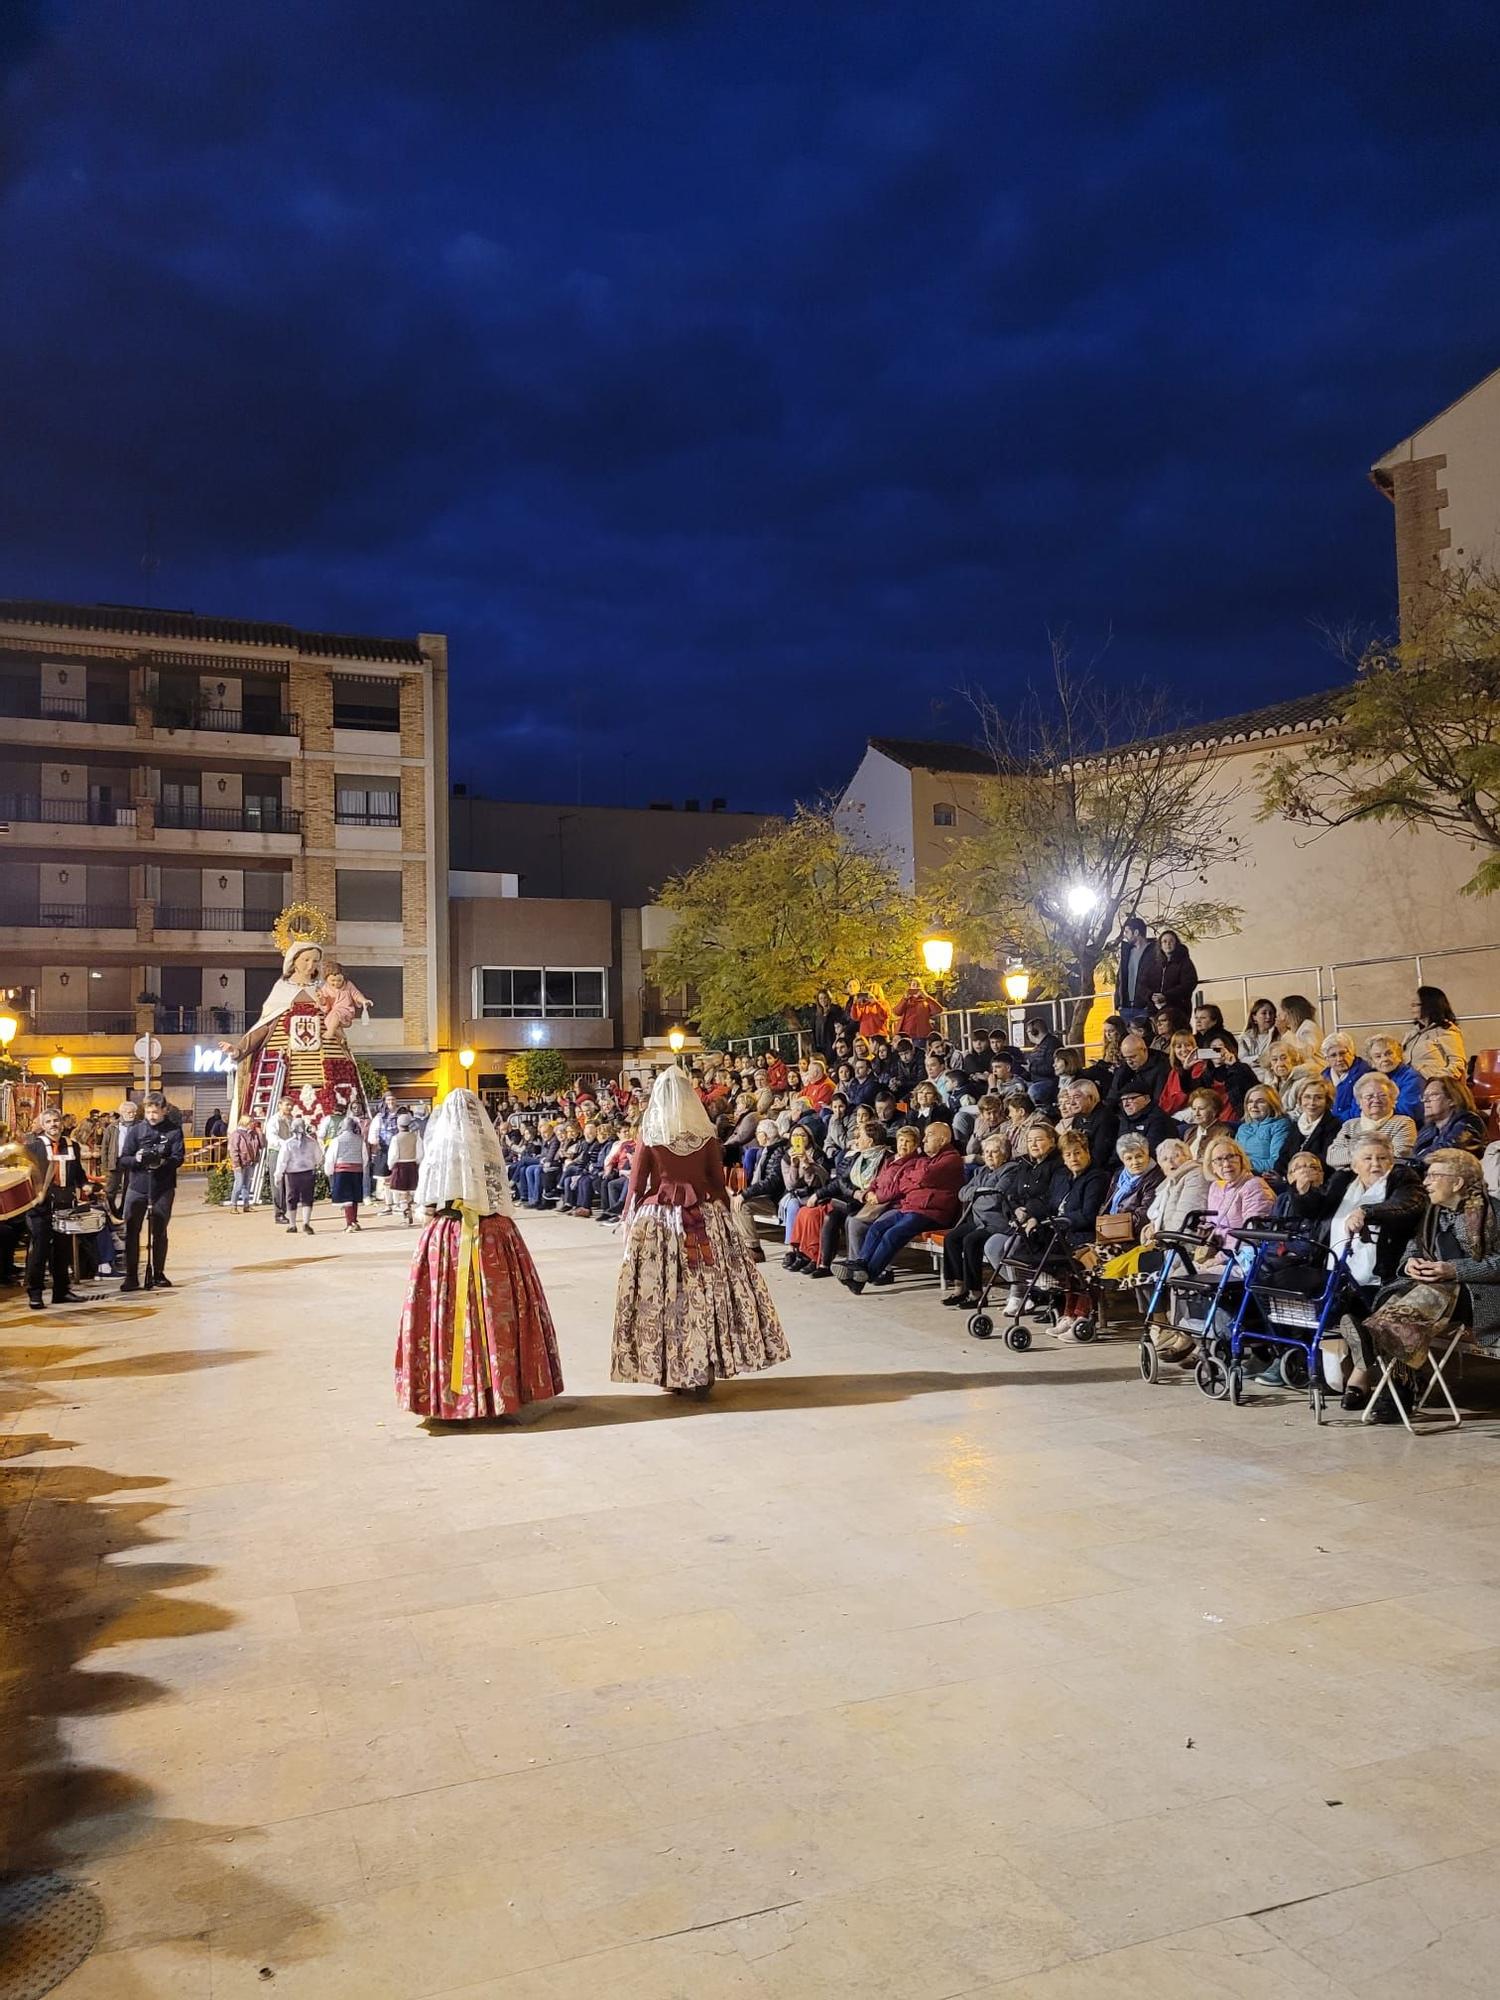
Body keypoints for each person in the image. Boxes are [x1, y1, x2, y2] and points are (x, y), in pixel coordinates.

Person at [611, 1065, 789, 1396]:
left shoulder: (651, 1135)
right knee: (708, 1292)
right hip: (704, 1220)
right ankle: (705, 1364)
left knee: (665, 1293)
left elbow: (635, 1186)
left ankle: (670, 1368)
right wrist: (727, 1218)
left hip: (660, 1223)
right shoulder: (706, 1136)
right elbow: (717, 1184)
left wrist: (628, 1218)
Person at [396, 1087, 564, 1423]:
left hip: (448, 1235)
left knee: (447, 1311)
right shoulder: (488, 1146)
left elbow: (427, 1203)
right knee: (494, 1311)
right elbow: (500, 1196)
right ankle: (499, 1392)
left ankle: (449, 1396)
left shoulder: (441, 1148)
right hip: (492, 1235)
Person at [841, 1121, 963, 1291]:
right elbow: (905, 1181)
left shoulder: (951, 1159)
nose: (924, 1140)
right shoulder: (926, 1160)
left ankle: (868, 1273)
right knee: (877, 1227)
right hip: (911, 1207)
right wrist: (915, 1180)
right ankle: (860, 1265)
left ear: (942, 1140)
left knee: (893, 1234)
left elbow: (923, 1178)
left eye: (929, 1135)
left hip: (931, 1212)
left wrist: (915, 1180)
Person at [22, 1108, 87, 1310]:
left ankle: (61, 1291)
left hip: (65, 1204)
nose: (53, 1124)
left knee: (63, 1250)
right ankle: (35, 1293)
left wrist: (85, 1184)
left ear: (61, 1122)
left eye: (56, 1120)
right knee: (39, 1251)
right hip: (40, 1208)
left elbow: (78, 1172)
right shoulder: (33, 1148)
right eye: (48, 1121)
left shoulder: (72, 1146)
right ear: (43, 1125)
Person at [118, 1094, 185, 1290]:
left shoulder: (174, 1131)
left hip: (162, 1187)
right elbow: (123, 1159)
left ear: (164, 1110)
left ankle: (158, 1273)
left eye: (155, 1111)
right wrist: (137, 1159)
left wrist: (163, 1162)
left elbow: (179, 1157)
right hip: (137, 1186)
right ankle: (131, 1276)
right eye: (148, 1112)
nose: (152, 1116)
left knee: (160, 1231)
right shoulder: (136, 1130)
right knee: (132, 1231)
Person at [941, 1133, 1015, 1306]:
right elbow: (962, 1193)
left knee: (971, 1241)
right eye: (986, 1151)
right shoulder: (981, 1170)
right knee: (951, 1238)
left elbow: (996, 1197)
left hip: (997, 1223)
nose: (988, 1155)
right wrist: (979, 1192)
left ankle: (977, 1294)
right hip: (978, 1220)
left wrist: (975, 1194)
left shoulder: (1010, 1170)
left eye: (994, 1152)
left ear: (1003, 1154)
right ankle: (960, 1287)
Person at [1326, 1071, 1418, 1167]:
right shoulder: (1350, 1125)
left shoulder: (1403, 1123)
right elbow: (1332, 1156)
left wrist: (1355, 1154)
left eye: (1382, 1096)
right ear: (1359, 1102)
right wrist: (1377, 1152)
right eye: (1369, 1096)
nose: (1376, 1100)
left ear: (1393, 1100)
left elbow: (1399, 1154)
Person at [1412, 1075, 1486, 1161]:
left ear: (1453, 1099)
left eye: (1433, 1095)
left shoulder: (1469, 1121)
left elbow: (1446, 1154)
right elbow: (1416, 1155)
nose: (1426, 1100)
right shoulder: (1429, 1128)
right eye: (1424, 1096)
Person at [1405, 986, 1467, 1080]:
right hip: (1410, 1084)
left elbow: (1458, 1064)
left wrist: (1435, 1080)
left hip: (1433, 1086)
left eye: (1415, 1005)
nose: (1411, 1008)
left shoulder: (1447, 1031)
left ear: (1429, 1006)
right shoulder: (1412, 1033)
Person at [1237, 1085, 1297, 1181]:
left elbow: (1274, 1162)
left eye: (1260, 1101)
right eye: (1250, 1102)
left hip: (1260, 1178)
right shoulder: (1243, 1128)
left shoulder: (1281, 1125)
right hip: (1238, 1174)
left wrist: (1240, 1164)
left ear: (1272, 1104)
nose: (1253, 1106)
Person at [273, 1116, 322, 1235]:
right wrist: (313, 1164)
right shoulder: (312, 1141)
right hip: (308, 1173)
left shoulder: (288, 1144)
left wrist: (278, 1175)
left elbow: (282, 1161)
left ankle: (292, 1224)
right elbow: (319, 1157)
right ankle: (306, 1223)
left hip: (292, 1174)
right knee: (307, 1198)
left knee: (291, 1199)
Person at [1114, 914, 1163, 1023]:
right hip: (1125, 1007)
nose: (1125, 936)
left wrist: (1151, 1002)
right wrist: (1118, 1003)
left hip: (1145, 1007)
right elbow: (1120, 979)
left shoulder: (1155, 952)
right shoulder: (1127, 953)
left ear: (1136, 932)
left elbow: (1158, 978)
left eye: (1127, 932)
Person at [327, 1112, 369, 1232]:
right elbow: (364, 1157)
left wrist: (329, 1171)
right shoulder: (360, 1140)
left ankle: (350, 1223)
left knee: (346, 1198)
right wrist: (362, 1167)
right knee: (354, 1196)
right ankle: (354, 1220)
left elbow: (331, 1157)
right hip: (357, 1170)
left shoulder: (337, 1140)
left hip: (341, 1171)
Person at [1318, 1033, 1370, 1122]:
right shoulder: (1323, 1076)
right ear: (1326, 1059)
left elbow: (1359, 1110)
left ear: (1352, 1053)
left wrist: (1334, 1122)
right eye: (1333, 1055)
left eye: (1342, 1053)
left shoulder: (1365, 1073)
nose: (1339, 1059)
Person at [386, 1111, 424, 1223]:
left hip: (400, 1166)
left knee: (402, 1192)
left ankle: (406, 1212)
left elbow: (393, 1155)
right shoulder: (416, 1137)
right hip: (412, 1165)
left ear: (398, 1125)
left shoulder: (396, 1138)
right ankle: (409, 1210)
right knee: (410, 1190)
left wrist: (390, 1165)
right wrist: (417, 1162)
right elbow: (420, 1153)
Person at [1152, 929, 1198, 1016]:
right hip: (1157, 1009)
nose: (1168, 944)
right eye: (1164, 941)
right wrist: (1151, 996)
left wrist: (1166, 996)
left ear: (1176, 943)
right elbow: (1145, 983)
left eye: (1171, 941)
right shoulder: (1155, 964)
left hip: (1178, 1007)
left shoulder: (1185, 962)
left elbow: (1189, 983)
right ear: (1160, 945)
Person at [892, 979, 943, 1048]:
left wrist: (926, 997)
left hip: (920, 1035)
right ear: (910, 987)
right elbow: (896, 1012)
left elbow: (938, 1010)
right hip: (905, 1034)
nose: (915, 987)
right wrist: (904, 999)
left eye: (918, 985)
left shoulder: (925, 1001)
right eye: (913, 985)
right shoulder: (906, 1000)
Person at [227, 1116, 263, 1211]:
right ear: (246, 1123)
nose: (253, 1124)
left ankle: (246, 1205)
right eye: (252, 1122)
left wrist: (259, 1132)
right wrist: (236, 1164)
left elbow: (262, 1145)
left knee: (246, 1184)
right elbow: (234, 1150)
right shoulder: (236, 1134)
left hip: (250, 1162)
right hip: (240, 1163)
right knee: (238, 1184)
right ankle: (233, 1205)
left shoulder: (253, 1133)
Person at [1238, 999, 1280, 1079]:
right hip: (1251, 1077)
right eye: (1264, 1013)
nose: (1268, 1017)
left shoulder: (1279, 1035)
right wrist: (1260, 1058)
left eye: (1271, 1013)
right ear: (1254, 1017)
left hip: (1273, 1076)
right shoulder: (1245, 1037)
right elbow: (1242, 1059)